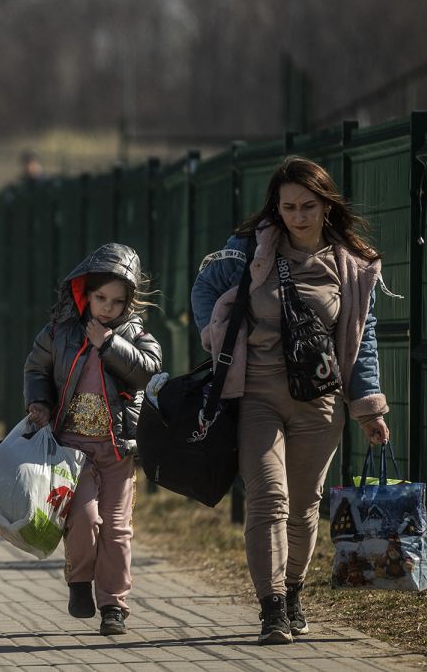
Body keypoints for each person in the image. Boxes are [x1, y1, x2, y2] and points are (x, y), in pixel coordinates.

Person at [191, 156, 391, 645]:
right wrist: (214, 335)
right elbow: (204, 289)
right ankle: (272, 608)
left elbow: (362, 340)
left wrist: (368, 409)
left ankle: (295, 590)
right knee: (268, 497)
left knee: (304, 506)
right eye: (288, 207)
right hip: (255, 394)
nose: (298, 216)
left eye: (307, 206)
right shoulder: (247, 249)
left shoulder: (352, 265)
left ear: (326, 205)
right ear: (275, 209)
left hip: (319, 403)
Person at [24, 242, 162, 637]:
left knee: (117, 530)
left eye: (117, 302)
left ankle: (114, 605)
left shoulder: (135, 334)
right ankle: (79, 581)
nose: (107, 308)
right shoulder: (60, 332)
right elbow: (36, 367)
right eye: (100, 297)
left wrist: (109, 343)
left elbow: (148, 371)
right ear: (84, 293)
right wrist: (39, 403)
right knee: (84, 520)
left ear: (129, 303)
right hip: (72, 451)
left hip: (118, 450)